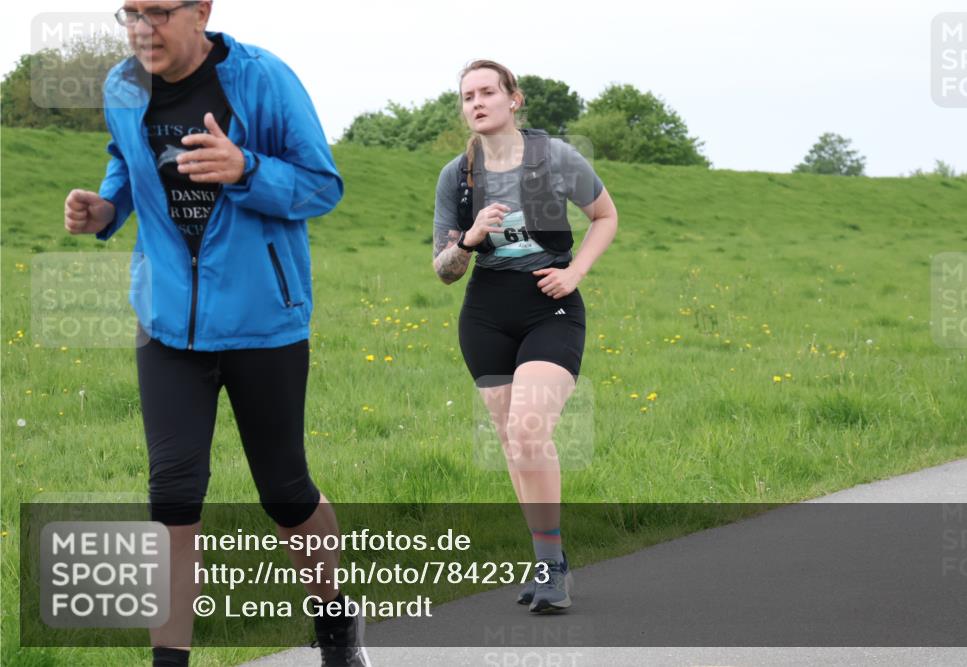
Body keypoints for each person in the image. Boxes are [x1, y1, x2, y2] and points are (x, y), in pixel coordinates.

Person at [62, 2, 369, 665]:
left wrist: (247, 170)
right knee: (172, 492)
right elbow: (127, 159)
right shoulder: (123, 85)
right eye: (129, 12)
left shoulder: (264, 79)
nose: (142, 27)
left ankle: (336, 624)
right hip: (168, 323)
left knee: (286, 493)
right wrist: (107, 207)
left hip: (263, 321)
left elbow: (324, 184)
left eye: (157, 11)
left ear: (200, 10)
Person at [432, 60, 618, 612]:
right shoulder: (456, 176)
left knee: (529, 429)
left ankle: (553, 565)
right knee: (513, 442)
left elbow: (605, 216)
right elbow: (443, 270)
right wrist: (468, 238)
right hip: (485, 315)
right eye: (468, 95)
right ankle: (544, 561)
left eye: (488, 91)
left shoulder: (555, 157)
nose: (477, 102)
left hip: (550, 306)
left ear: (514, 99)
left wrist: (575, 272)